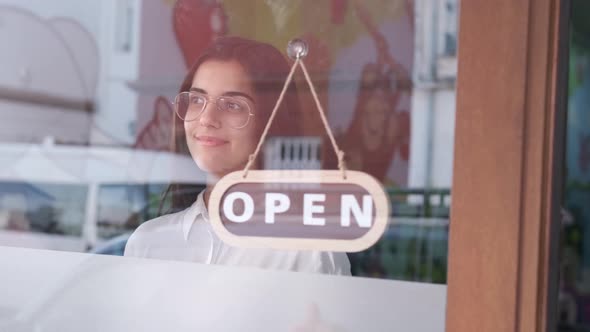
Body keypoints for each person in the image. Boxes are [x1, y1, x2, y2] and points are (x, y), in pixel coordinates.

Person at [124, 36, 351, 275]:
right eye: (197, 99)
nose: (207, 118)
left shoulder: (310, 251)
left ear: (271, 121)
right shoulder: (147, 243)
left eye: (232, 105)